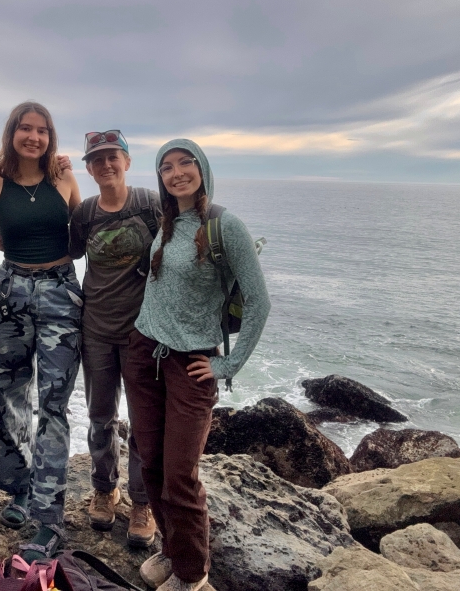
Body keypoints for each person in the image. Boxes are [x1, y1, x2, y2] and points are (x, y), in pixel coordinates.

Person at [124, 139, 270, 591]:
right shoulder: (167, 222)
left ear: (202, 168)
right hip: (144, 352)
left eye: (185, 162)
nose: (176, 172)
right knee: (150, 464)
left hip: (192, 364)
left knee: (180, 477)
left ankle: (193, 578)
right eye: (166, 166)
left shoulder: (225, 225)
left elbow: (260, 302)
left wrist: (228, 367)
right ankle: (171, 550)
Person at [0, 101, 82, 562]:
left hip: (60, 291)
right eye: (25, 128)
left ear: (51, 138)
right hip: (9, 292)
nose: (34, 137)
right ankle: (17, 488)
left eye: (42, 130)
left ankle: (49, 516)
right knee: (6, 395)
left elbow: (85, 237)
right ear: (12, 133)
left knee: (54, 404)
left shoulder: (63, 178)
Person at [67, 130, 160, 547]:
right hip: (97, 331)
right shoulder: (85, 213)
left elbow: (189, 234)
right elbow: (62, 254)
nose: (106, 165)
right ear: (88, 168)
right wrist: (10, 242)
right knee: (101, 416)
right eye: (97, 159)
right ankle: (105, 489)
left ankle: (143, 502)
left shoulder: (151, 205)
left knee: (143, 421)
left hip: (143, 334)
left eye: (113, 157)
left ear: (127, 161)